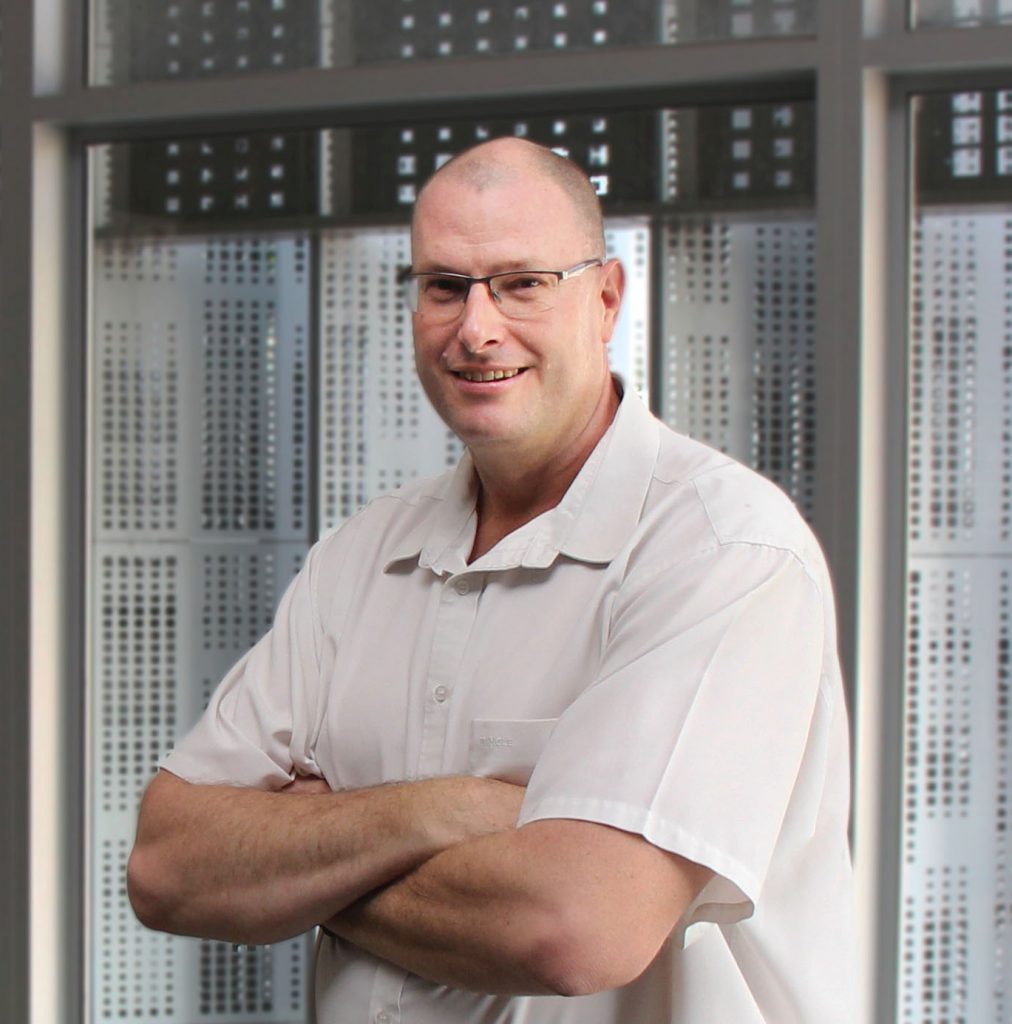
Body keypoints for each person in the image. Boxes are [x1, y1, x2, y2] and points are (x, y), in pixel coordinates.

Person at [128, 136, 857, 1023]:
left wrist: (306, 864)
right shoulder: (359, 556)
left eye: (521, 283)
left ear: (606, 298)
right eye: (445, 286)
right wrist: (450, 811)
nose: (477, 329)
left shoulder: (720, 553)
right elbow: (165, 867)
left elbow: (574, 928)